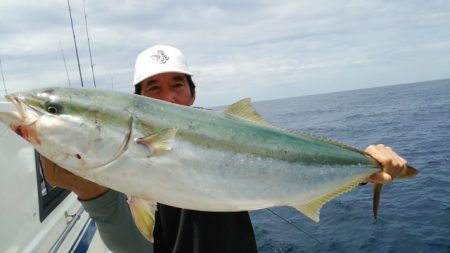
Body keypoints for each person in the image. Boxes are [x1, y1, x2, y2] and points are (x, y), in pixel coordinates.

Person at [40, 45, 409, 253]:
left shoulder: (229, 130)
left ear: (193, 93)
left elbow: (282, 163)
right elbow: (134, 246)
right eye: (153, 89)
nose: (169, 96)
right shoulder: (116, 158)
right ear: (137, 102)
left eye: (177, 85)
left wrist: (365, 170)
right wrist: (94, 195)